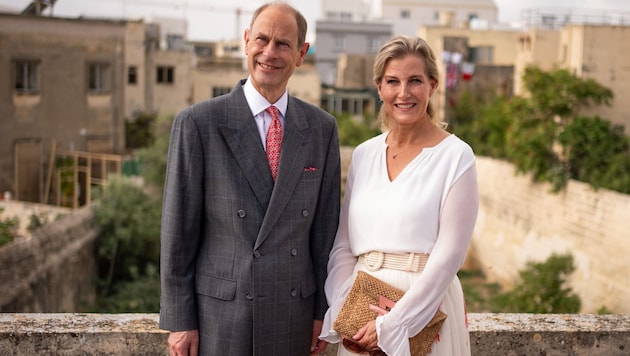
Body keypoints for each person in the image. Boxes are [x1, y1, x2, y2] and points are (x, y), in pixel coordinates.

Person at [159, 2, 341, 355]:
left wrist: (323, 310)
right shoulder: (198, 124)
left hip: (294, 315)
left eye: (283, 44)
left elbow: (324, 234)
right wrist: (180, 320)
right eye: (262, 39)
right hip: (222, 315)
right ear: (246, 41)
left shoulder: (321, 128)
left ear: (302, 54)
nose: (269, 52)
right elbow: (177, 231)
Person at [319, 35, 479, 355]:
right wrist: (341, 309)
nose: (403, 93)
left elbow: (449, 257)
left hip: (422, 313)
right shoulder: (364, 154)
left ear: (432, 85)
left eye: (415, 81)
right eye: (393, 81)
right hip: (360, 314)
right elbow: (343, 245)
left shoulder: (456, 157)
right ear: (379, 88)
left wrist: (394, 325)